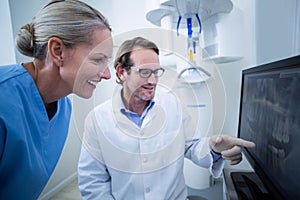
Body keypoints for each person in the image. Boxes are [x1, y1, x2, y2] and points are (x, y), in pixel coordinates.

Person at [78, 37, 255, 199]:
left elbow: (191, 146)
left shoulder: (172, 103)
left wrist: (214, 148)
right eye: (145, 72)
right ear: (121, 72)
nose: (153, 81)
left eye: (157, 72)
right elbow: (92, 181)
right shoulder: (97, 119)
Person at [0, 0, 113, 199]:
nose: (107, 75)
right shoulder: (3, 99)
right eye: (97, 59)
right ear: (58, 51)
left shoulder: (63, 108)